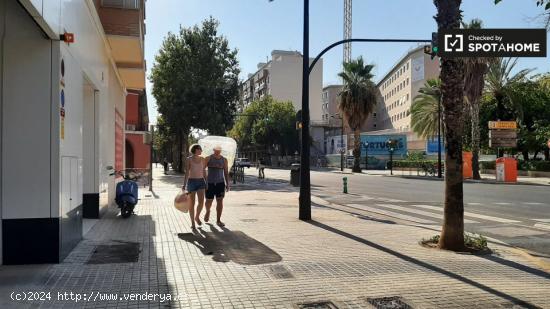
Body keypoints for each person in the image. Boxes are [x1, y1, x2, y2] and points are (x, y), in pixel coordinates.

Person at [203, 145, 230, 227]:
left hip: (220, 183)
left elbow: (226, 172)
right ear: (213, 149)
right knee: (208, 201)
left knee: (220, 201)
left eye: (219, 149)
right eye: (216, 149)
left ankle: (218, 220)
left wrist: (228, 184)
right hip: (209, 183)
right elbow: (203, 169)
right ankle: (208, 211)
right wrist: (205, 180)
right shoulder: (208, 158)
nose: (218, 151)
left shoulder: (224, 160)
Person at [182, 145, 206, 229]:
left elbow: (204, 171)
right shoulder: (189, 159)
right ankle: (192, 222)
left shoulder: (203, 159)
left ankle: (197, 217)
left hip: (201, 181)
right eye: (200, 149)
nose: (201, 150)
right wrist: (184, 184)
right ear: (196, 150)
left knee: (201, 202)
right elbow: (187, 173)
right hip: (191, 182)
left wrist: (206, 182)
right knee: (192, 203)